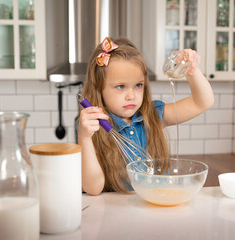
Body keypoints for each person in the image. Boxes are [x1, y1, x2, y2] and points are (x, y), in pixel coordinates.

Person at [78, 37, 214, 195]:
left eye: (138, 85)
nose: (131, 96)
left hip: (158, 204)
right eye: (120, 86)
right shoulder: (92, 127)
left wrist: (191, 70)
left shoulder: (154, 115)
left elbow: (203, 102)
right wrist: (85, 138)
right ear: (99, 88)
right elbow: (93, 189)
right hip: (117, 211)